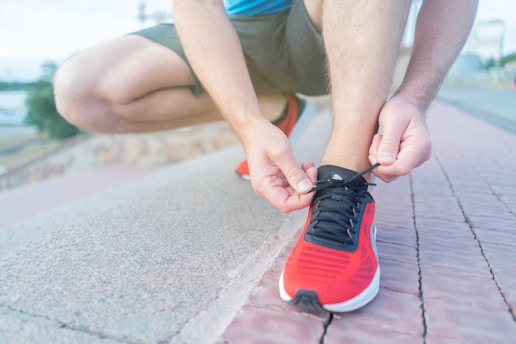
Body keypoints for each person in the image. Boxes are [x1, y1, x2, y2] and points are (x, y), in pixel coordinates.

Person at [54, 0, 478, 312]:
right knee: (79, 91)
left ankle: (342, 184)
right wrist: (248, 123)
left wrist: (414, 97)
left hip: (331, 19)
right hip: (236, 31)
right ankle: (279, 110)